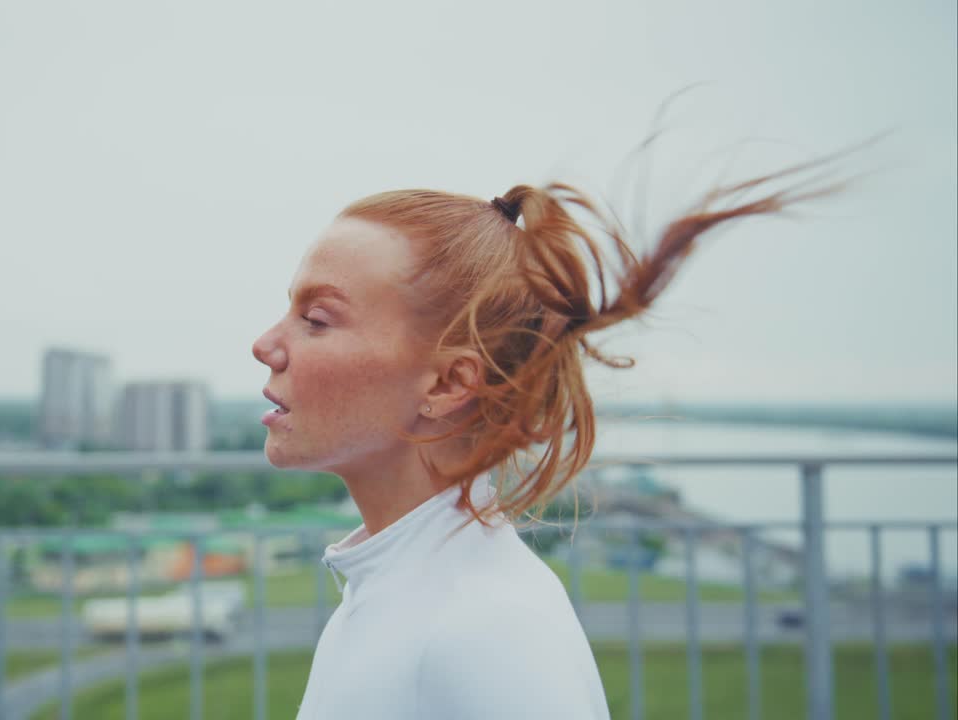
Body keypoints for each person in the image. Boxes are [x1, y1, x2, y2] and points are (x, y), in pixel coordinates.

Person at [251, 159, 838, 718]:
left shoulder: (485, 636)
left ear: (449, 383)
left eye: (316, 320)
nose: (265, 346)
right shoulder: (395, 593)